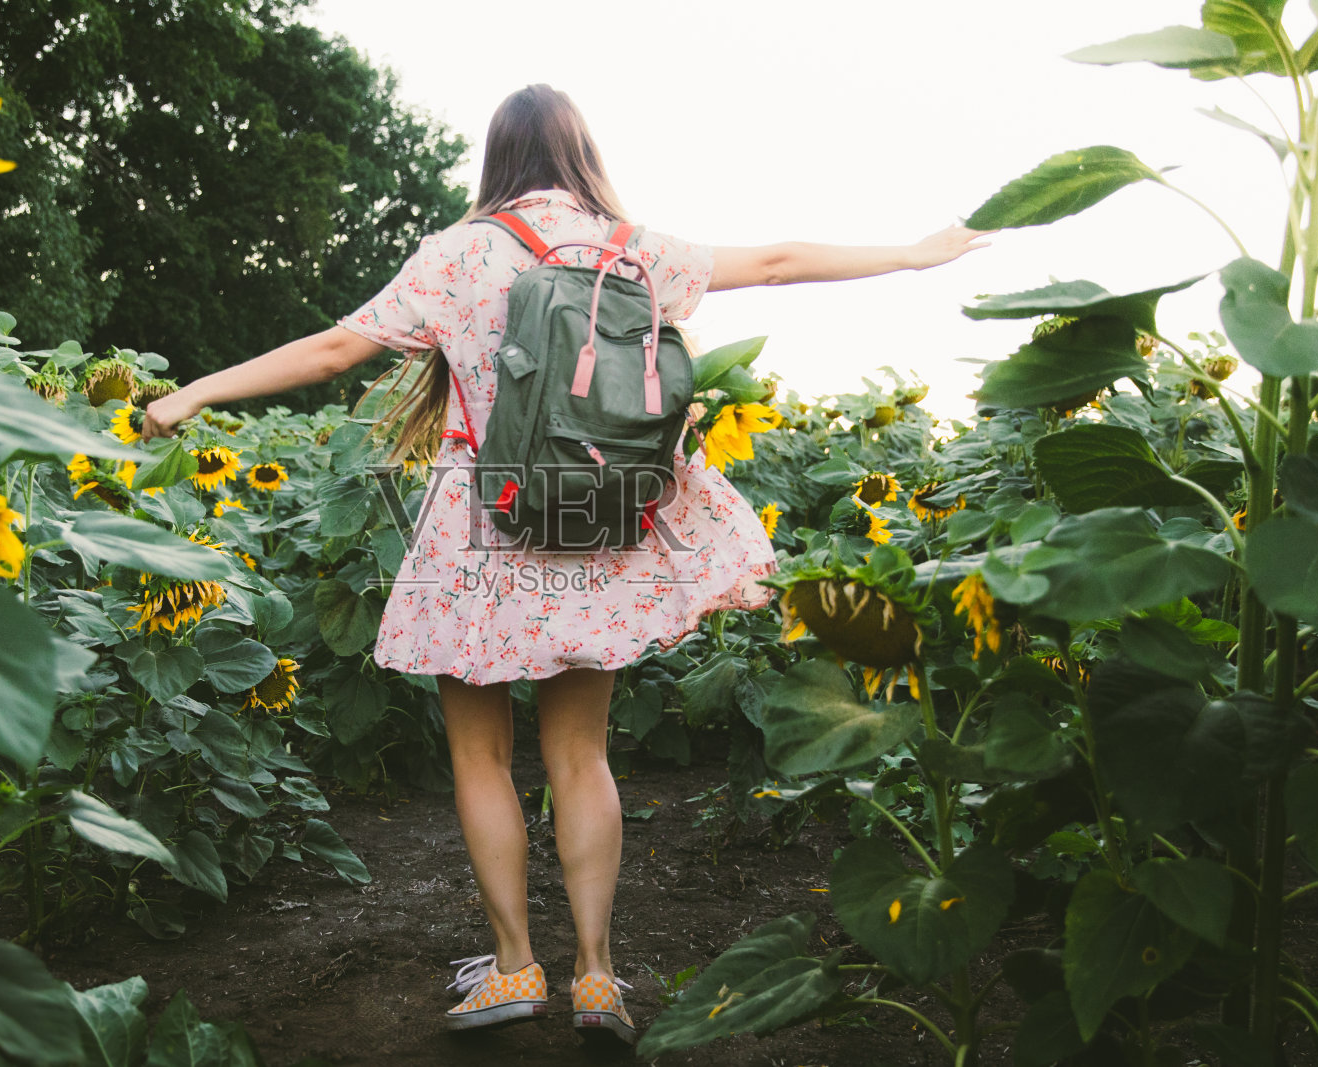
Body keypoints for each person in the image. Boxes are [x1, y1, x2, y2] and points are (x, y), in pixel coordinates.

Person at [143, 83, 988, 1046]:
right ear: (580, 152)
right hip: (599, 519)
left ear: (497, 157)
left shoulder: (458, 252)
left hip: (483, 523)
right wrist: (916, 252)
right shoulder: (632, 248)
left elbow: (336, 350)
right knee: (582, 756)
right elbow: (779, 262)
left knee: (480, 756)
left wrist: (194, 392)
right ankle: (595, 975)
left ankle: (513, 965)